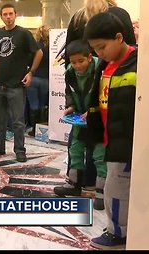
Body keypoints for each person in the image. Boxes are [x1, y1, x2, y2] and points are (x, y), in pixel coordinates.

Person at [64, 0, 137, 192]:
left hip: (93, 88)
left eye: (101, 47)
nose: (99, 52)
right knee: (98, 140)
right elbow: (131, 53)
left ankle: (80, 182)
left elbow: (67, 54)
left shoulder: (78, 17)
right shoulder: (118, 15)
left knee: (85, 138)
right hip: (108, 86)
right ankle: (98, 185)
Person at [84, 11, 137, 250]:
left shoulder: (139, 63)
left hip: (128, 141)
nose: (98, 53)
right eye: (94, 48)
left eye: (102, 46)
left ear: (119, 37)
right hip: (110, 138)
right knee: (115, 186)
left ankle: (118, 234)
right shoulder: (104, 65)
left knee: (115, 189)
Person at [0, 3, 43, 162]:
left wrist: (31, 72)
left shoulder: (24, 33)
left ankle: (20, 150)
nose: (8, 17)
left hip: (16, 84)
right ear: (1, 16)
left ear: (15, 15)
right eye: (5, 14)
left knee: (17, 120)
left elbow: (39, 53)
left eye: (10, 14)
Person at [53, 39, 106, 211]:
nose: (77, 66)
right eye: (73, 62)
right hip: (79, 120)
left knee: (99, 155)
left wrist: (92, 111)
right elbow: (69, 91)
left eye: (80, 61)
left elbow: (104, 94)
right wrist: (71, 106)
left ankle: (101, 193)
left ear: (90, 57)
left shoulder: (101, 69)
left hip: (98, 121)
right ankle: (73, 184)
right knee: (75, 149)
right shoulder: (69, 72)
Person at [27, 25, 50, 136]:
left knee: (33, 104)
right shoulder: (53, 47)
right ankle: (42, 130)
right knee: (42, 104)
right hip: (47, 79)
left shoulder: (35, 46)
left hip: (34, 77)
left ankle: (34, 129)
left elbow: (28, 61)